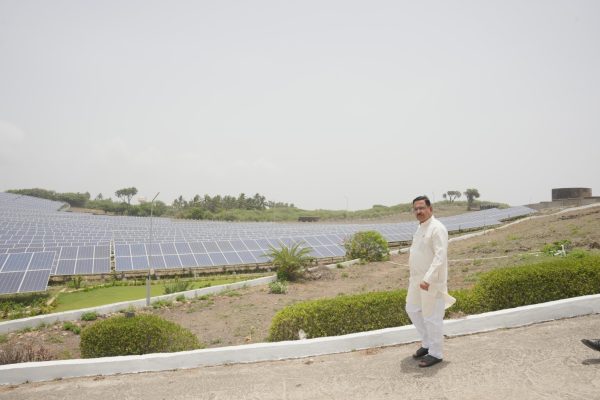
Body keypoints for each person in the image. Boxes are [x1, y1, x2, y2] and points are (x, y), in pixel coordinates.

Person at [406, 195, 456, 367]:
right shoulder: (420, 228)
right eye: (416, 209)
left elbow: (440, 256)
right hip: (416, 281)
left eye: (422, 208)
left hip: (431, 282)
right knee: (412, 309)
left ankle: (436, 353)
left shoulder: (437, 228)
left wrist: (428, 279)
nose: (418, 211)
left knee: (432, 317)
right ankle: (427, 343)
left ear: (430, 209)